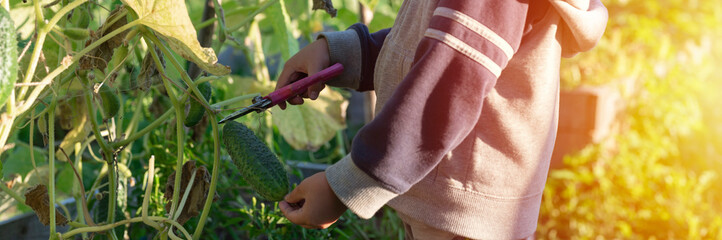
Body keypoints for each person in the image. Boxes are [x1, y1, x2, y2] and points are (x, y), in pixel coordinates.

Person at [276, 0, 608, 239]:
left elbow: (445, 89)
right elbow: (437, 43)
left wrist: (346, 187)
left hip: (461, 215)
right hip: (451, 200)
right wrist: (341, 54)